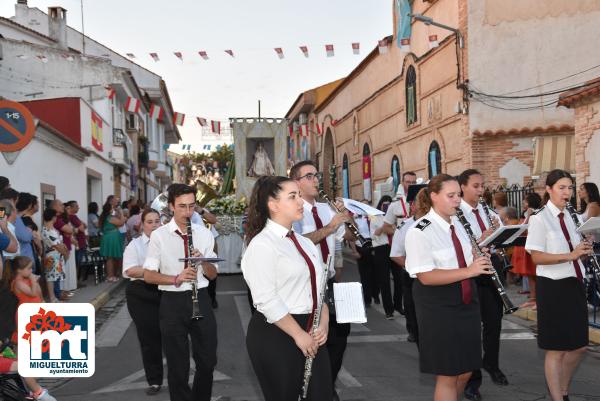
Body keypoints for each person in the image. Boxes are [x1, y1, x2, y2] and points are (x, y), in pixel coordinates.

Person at [242, 175, 331, 401]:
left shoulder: (304, 242)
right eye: (293, 197)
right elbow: (265, 299)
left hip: (310, 329)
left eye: (299, 195)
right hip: (278, 333)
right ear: (273, 205)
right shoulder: (262, 244)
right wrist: (299, 335)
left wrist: (323, 323)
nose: (300, 201)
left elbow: (320, 290)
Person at [405, 174, 493, 401]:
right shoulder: (420, 230)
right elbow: (425, 276)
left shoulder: (461, 224)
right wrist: (470, 270)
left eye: (458, 195)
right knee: (447, 374)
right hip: (438, 305)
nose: (457, 200)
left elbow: (464, 257)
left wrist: (479, 256)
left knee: (466, 369)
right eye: (451, 195)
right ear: (434, 196)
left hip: (466, 300)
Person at [143, 184, 218, 401]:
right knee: (178, 364)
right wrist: (175, 278)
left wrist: (203, 260)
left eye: (191, 206)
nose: (187, 212)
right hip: (172, 301)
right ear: (171, 207)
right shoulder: (159, 236)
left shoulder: (204, 234)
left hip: (200, 297)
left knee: (208, 360)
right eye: (182, 207)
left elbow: (213, 275)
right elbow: (148, 275)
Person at [525, 169, 590, 401]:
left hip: (574, 283)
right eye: (562, 187)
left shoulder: (574, 216)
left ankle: (563, 389)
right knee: (556, 348)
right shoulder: (539, 218)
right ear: (549, 190)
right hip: (552, 287)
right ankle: (557, 397)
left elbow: (575, 253)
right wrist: (571, 255)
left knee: (579, 346)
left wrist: (584, 250)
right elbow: (537, 257)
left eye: (570, 188)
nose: (567, 192)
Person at [290, 160, 351, 401]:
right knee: (311, 337)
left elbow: (342, 238)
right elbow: (298, 241)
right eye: (309, 176)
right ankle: (307, 388)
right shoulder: (293, 210)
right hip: (305, 284)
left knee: (340, 334)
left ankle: (328, 383)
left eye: (317, 175)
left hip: (330, 280)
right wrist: (330, 226)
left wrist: (348, 218)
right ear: (296, 182)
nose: (316, 180)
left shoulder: (326, 209)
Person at [458, 169, 508, 401]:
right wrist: (482, 239)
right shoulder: (456, 213)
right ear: (462, 187)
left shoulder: (487, 211)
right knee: (471, 327)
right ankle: (472, 379)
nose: (481, 190)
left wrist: (500, 233)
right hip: (471, 271)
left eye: (482, 186)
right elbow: (458, 244)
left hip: (491, 267)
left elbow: (497, 239)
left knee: (493, 321)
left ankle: (492, 364)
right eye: (476, 186)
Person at [123, 208, 164, 396]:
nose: (154, 225)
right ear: (142, 225)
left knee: (174, 336)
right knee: (149, 339)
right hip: (141, 294)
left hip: (166, 290)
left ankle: (179, 377)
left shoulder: (169, 243)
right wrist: (153, 270)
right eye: (150, 222)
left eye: (157, 221)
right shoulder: (135, 245)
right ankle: (154, 380)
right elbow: (130, 271)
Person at [390, 188, 429, 344]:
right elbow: (395, 254)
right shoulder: (406, 226)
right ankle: (414, 332)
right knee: (412, 310)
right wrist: (413, 267)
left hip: (436, 275)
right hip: (412, 275)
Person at [511, 192, 543, 309]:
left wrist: (529, 216)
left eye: (525, 200)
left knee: (535, 274)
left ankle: (539, 299)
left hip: (531, 248)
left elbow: (524, 228)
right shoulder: (524, 214)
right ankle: (532, 298)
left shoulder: (536, 214)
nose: (523, 202)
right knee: (529, 274)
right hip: (522, 247)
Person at [370, 195, 395, 319]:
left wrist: (392, 227)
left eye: (389, 204)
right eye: (384, 204)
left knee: (399, 280)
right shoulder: (374, 216)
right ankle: (388, 310)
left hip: (394, 248)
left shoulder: (395, 216)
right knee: (384, 281)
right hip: (381, 248)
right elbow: (373, 235)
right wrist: (383, 227)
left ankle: (397, 305)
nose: (387, 206)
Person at [41, 208, 67, 303]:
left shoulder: (51, 229)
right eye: (55, 216)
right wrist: (65, 252)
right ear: (53, 217)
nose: (56, 218)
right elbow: (56, 244)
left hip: (56, 255)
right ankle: (52, 298)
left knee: (56, 276)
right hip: (52, 256)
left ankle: (56, 296)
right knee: (51, 277)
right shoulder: (47, 230)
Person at [99, 195, 126, 282]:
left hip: (109, 236)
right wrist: (121, 213)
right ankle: (110, 276)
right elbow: (121, 223)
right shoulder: (110, 217)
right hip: (111, 237)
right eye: (111, 208)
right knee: (110, 257)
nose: (113, 209)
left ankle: (112, 275)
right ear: (109, 209)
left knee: (111, 257)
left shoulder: (104, 217)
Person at [65, 201, 88, 287]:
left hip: (79, 242)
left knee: (77, 263)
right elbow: (82, 228)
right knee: (77, 263)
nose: (78, 208)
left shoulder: (74, 217)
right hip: (78, 243)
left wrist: (81, 225)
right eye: (76, 206)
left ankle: (76, 282)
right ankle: (76, 282)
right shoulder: (73, 217)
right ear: (71, 208)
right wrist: (81, 225)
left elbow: (85, 226)